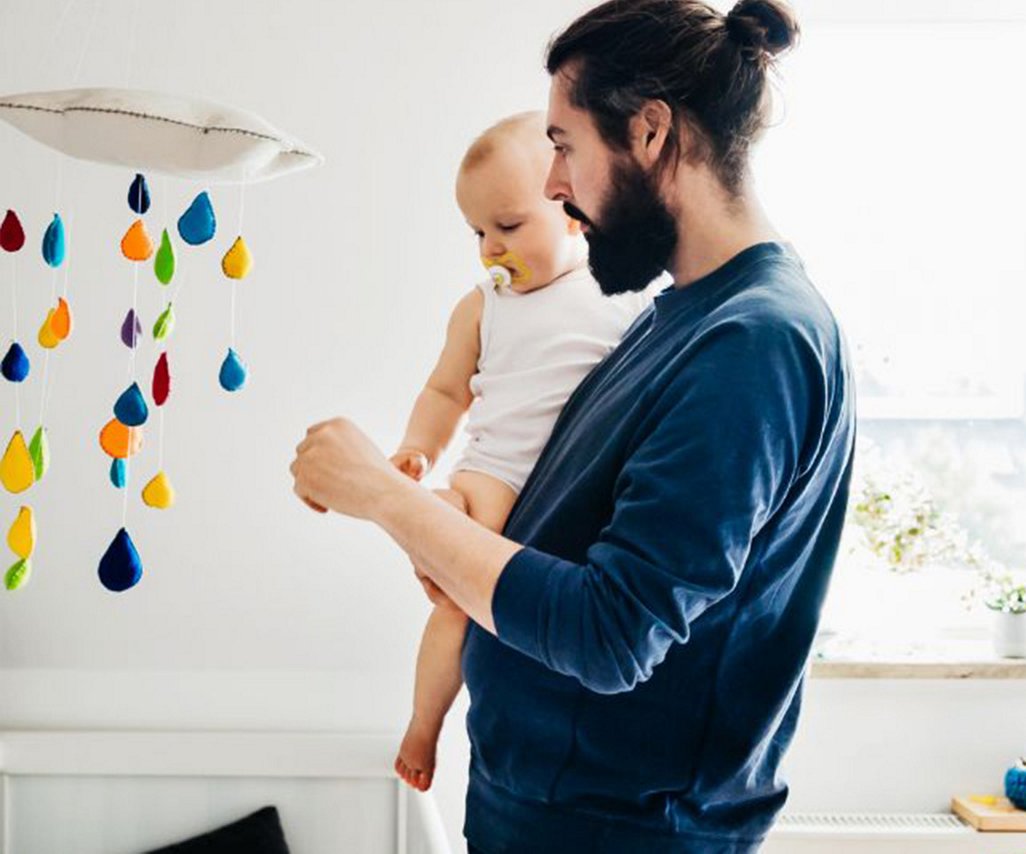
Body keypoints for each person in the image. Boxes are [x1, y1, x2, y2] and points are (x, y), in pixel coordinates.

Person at [290, 0, 856, 850]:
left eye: (563, 143)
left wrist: (380, 494)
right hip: (547, 808)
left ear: (651, 132)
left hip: (619, 831)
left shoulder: (755, 343)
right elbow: (565, 542)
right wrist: (458, 550)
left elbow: (610, 633)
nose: (553, 183)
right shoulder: (677, 319)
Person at [388, 111, 652, 793]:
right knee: (453, 603)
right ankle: (425, 723)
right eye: (477, 232)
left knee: (557, 615)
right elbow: (446, 392)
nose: (489, 250)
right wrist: (419, 449)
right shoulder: (481, 308)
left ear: (573, 214)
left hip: (578, 486)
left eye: (507, 227)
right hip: (495, 474)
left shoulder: (621, 297)